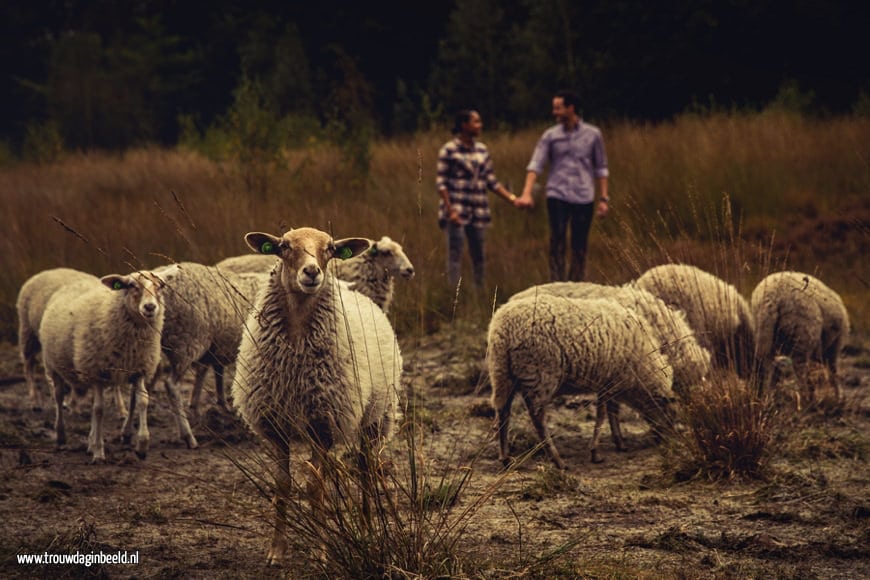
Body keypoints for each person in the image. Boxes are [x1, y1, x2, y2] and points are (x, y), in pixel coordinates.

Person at [516, 90, 610, 281]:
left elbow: (601, 167)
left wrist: (604, 199)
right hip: (557, 194)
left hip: (583, 195)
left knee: (580, 244)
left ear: (571, 108)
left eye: (558, 108)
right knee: (557, 239)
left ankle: (575, 285)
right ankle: (556, 283)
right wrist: (527, 193)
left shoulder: (593, 134)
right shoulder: (550, 136)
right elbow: (536, 164)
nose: (555, 112)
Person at [437, 109, 520, 288]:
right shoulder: (449, 150)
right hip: (457, 211)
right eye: (476, 122)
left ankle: (479, 292)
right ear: (464, 125)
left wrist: (512, 199)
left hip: (479, 210)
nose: (480, 125)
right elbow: (441, 184)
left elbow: (491, 181)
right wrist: (450, 211)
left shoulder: (482, 149)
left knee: (479, 256)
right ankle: (453, 295)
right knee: (455, 255)